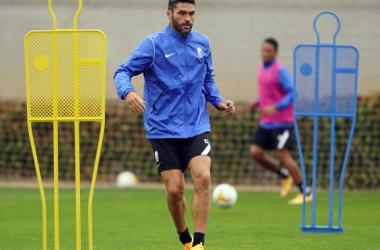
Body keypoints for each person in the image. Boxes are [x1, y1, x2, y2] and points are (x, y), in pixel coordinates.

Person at [114, 0, 235, 249]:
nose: (187, 18)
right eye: (182, 13)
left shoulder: (203, 43)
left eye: (191, 13)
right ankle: (185, 239)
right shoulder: (153, 45)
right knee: (175, 191)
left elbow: (208, 78)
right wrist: (128, 93)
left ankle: (199, 244)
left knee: (203, 178)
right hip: (162, 127)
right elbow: (122, 71)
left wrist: (219, 101)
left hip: (196, 125)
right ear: (169, 14)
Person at [250, 38, 312, 204]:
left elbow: (293, 92)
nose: (264, 53)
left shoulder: (280, 70)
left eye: (268, 50)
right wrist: (257, 102)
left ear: (275, 52)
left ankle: (306, 191)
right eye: (263, 49)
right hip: (266, 122)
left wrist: (277, 107)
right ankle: (284, 175)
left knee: (281, 153)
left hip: (282, 121)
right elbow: (268, 92)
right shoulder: (261, 68)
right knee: (255, 152)